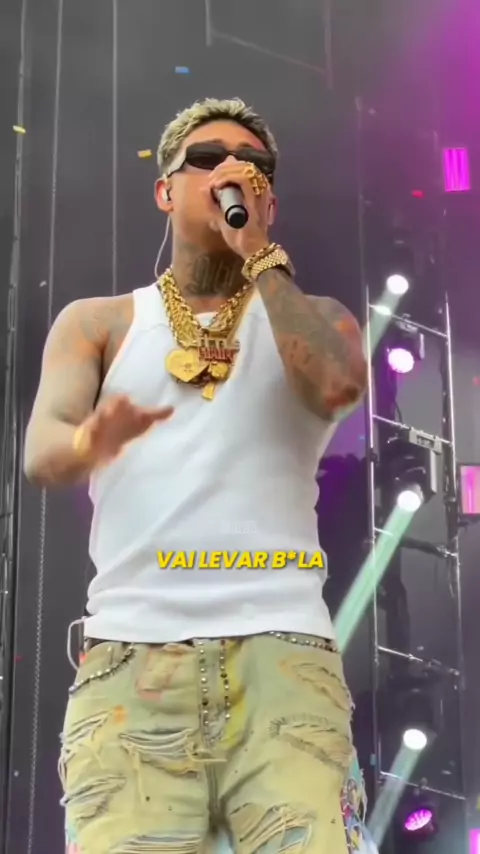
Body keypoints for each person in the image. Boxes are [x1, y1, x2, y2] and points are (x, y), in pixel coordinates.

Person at [24, 98, 373, 854]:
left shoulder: (319, 318)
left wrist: (259, 255)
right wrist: (89, 439)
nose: (232, 171)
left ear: (270, 199)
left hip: (284, 659)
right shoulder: (100, 323)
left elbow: (337, 388)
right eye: (208, 159)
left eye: (255, 166)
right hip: (132, 662)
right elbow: (42, 451)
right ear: (165, 189)